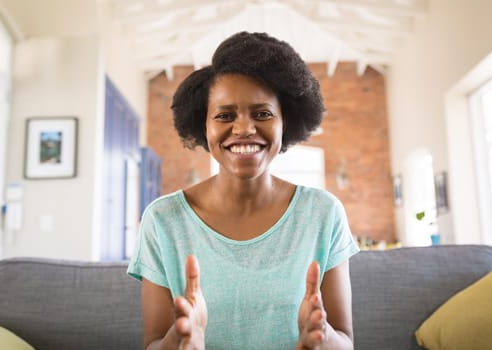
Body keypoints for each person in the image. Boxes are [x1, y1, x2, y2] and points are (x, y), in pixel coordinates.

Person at [127, 31, 359, 350]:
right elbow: (153, 345)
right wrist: (179, 339)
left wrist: (321, 337)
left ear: (285, 123)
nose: (244, 129)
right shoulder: (163, 220)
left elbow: (346, 343)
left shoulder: (323, 213)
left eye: (262, 113)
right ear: (203, 124)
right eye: (225, 115)